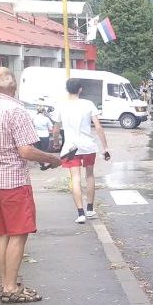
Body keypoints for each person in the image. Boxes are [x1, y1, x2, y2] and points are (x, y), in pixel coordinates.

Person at [0, 67, 62, 303]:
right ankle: (11, 288)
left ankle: (6, 283)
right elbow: (25, 150)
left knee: (1, 234)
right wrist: (52, 158)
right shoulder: (15, 110)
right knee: (18, 234)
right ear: (13, 87)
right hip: (13, 182)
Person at [50, 79, 111, 224]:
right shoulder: (88, 104)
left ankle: (80, 213)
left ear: (67, 89)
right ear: (80, 89)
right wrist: (105, 147)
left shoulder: (61, 106)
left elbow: (56, 129)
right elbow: (98, 127)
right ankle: (90, 209)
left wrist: (56, 143)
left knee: (75, 178)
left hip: (71, 147)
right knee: (89, 175)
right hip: (88, 146)